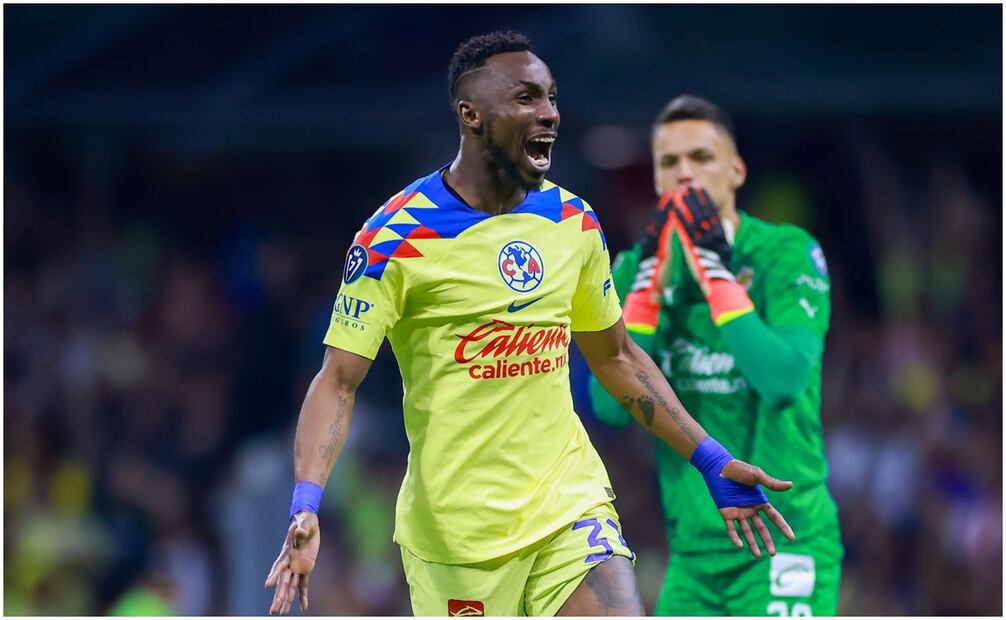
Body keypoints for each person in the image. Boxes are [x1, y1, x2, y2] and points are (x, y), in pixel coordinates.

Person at [265, 34, 795, 617]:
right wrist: (306, 503)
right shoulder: (394, 236)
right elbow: (338, 380)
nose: (549, 113)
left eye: (551, 97)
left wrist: (710, 459)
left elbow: (616, 358)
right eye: (526, 98)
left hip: (566, 505)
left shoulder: (572, 221)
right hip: (456, 540)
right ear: (471, 115)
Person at [589, 95, 843, 616]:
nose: (684, 173)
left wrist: (713, 274)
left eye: (701, 158)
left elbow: (783, 380)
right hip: (693, 557)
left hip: (784, 538)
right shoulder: (636, 268)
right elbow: (611, 406)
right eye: (669, 162)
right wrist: (647, 293)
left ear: (736, 170)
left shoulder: (784, 252)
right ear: (657, 180)